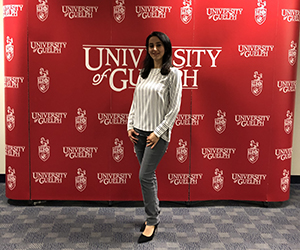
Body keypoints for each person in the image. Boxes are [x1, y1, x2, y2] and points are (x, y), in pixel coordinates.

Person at [127, 31, 182, 244]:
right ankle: (155, 214)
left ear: (166, 48)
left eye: (159, 45)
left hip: (156, 136)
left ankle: (151, 220)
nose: (154, 49)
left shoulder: (174, 74)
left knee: (144, 176)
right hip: (138, 134)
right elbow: (135, 102)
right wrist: (130, 125)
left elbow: (174, 108)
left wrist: (158, 132)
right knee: (148, 177)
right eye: (151, 45)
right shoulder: (144, 72)